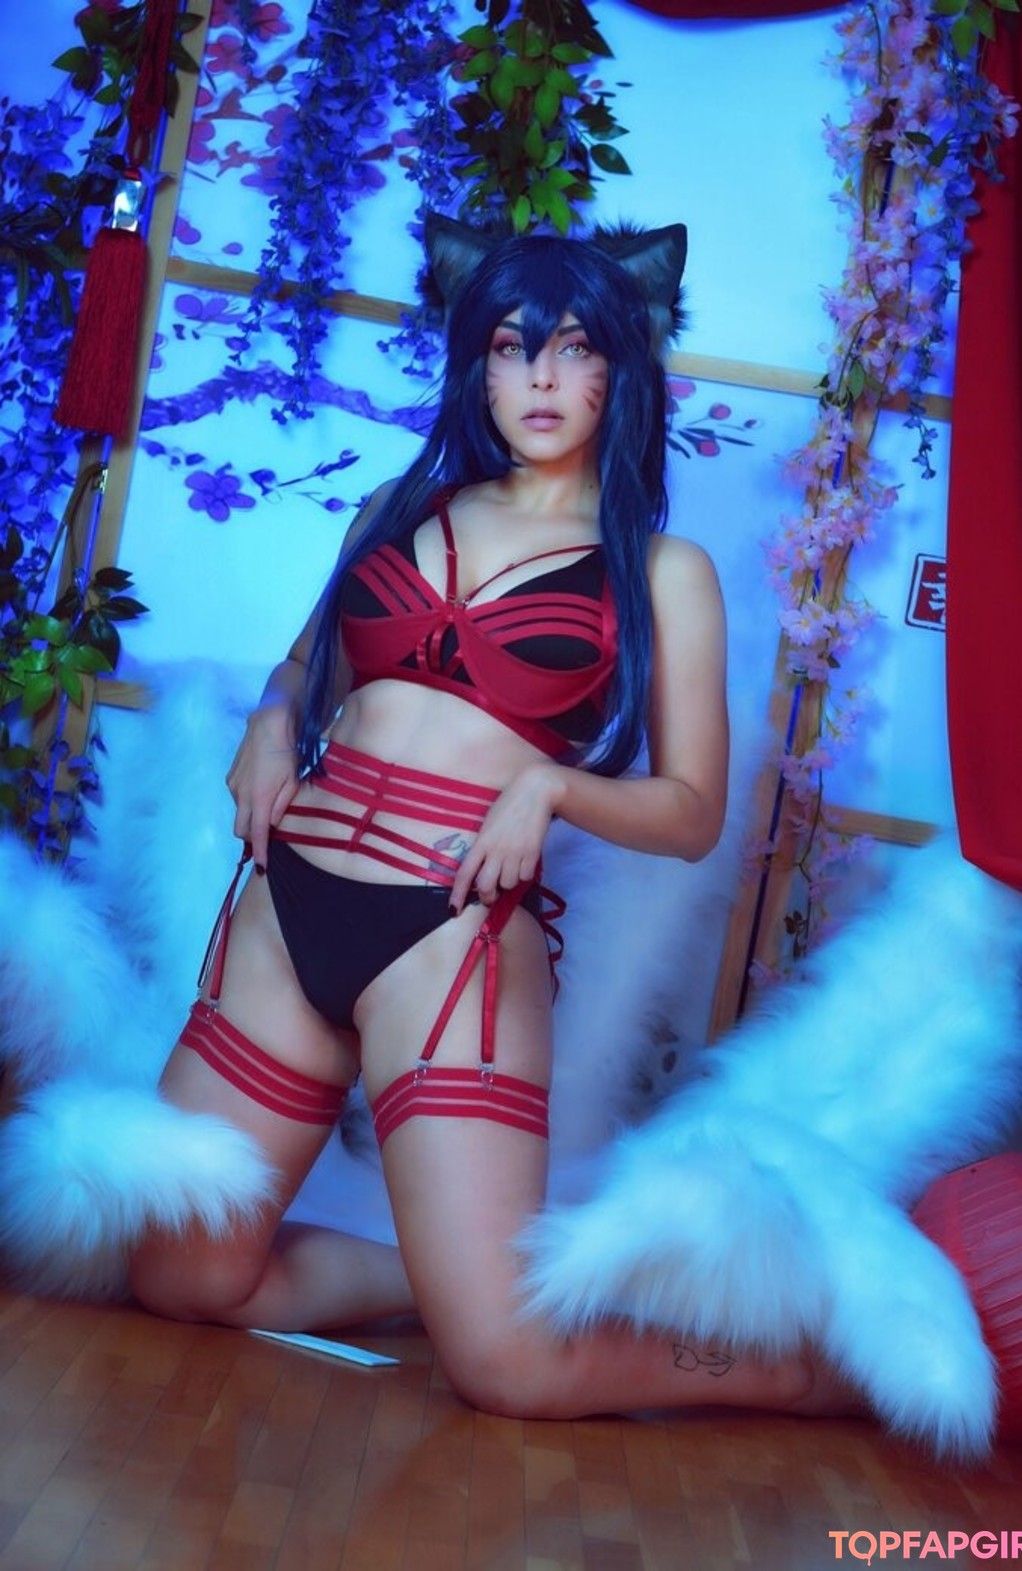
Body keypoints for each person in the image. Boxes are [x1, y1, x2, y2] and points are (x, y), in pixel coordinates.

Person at [128, 215, 843, 1420]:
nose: (543, 379)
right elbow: (304, 671)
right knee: (180, 1273)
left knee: (508, 1368)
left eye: (575, 348)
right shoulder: (395, 506)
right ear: (479, 365)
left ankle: (803, 1370)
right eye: (514, 348)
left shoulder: (660, 571)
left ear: (621, 364)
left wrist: (553, 787)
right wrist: (271, 719)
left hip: (449, 942)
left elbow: (691, 812)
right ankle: (441, 1277)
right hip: (284, 914)